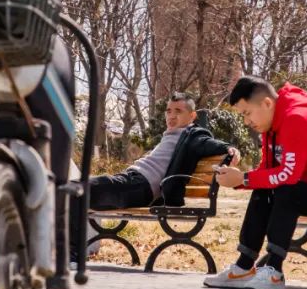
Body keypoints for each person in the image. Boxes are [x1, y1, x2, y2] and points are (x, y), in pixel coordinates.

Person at [204, 76, 307, 289]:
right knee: (265, 192)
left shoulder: (297, 119)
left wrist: (243, 178)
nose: (246, 122)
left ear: (266, 103)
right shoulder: (271, 129)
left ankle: (273, 270)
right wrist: (237, 180)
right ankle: (244, 267)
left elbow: (287, 176)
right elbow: (267, 174)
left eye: (247, 113)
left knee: (287, 192)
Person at [70, 92, 239, 259]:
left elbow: (209, 143)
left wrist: (231, 149)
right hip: (130, 180)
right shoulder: (170, 134)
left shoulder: (193, 135)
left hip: (140, 186)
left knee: (75, 190)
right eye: (169, 111)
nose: (171, 116)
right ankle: (70, 253)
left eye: (178, 111)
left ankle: (72, 254)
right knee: (73, 190)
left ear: (192, 115)